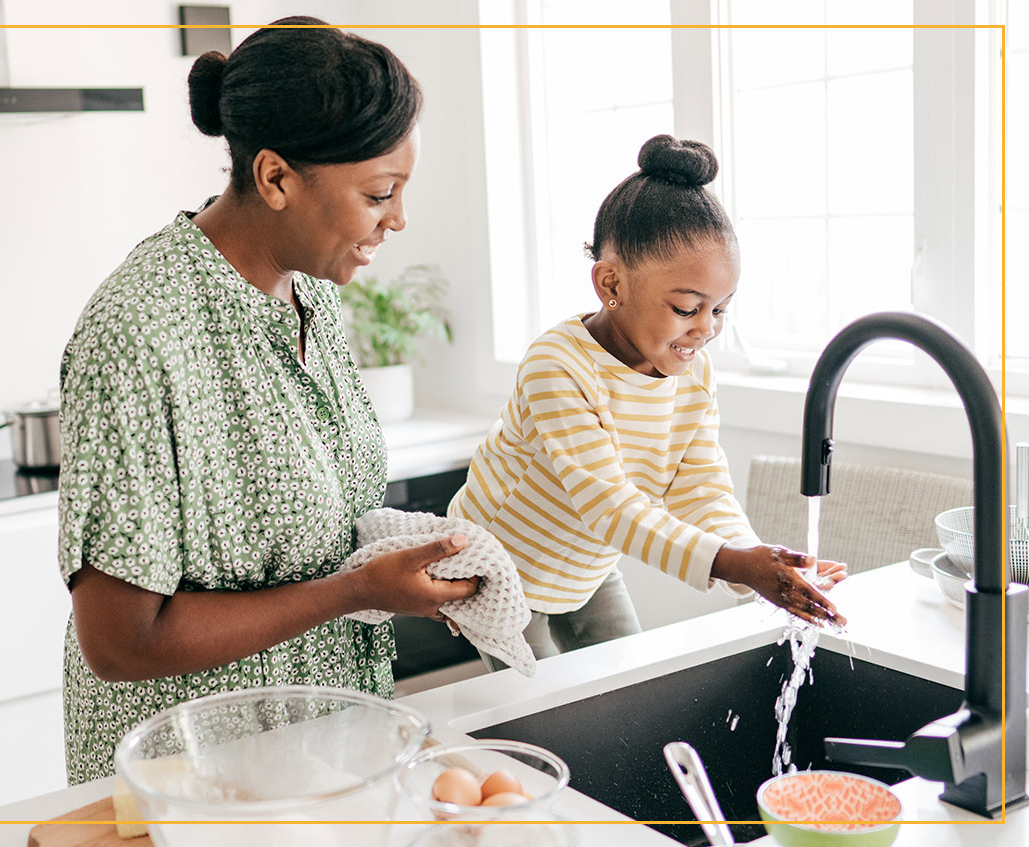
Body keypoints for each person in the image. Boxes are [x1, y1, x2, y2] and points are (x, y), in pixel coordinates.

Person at [56, 17, 478, 785]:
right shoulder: (141, 328)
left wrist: (400, 567)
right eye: (379, 193)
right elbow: (119, 641)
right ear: (276, 177)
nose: (399, 219)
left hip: (320, 752)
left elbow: (311, 525)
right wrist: (354, 591)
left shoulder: (312, 292)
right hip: (193, 785)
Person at [448, 134, 847, 667]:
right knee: (536, 711)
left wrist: (759, 561)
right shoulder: (558, 365)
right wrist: (735, 564)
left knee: (626, 678)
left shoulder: (693, 373)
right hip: (501, 567)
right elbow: (610, 506)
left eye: (721, 310)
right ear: (610, 283)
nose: (706, 330)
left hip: (586, 561)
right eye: (687, 308)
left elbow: (700, 485)